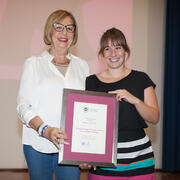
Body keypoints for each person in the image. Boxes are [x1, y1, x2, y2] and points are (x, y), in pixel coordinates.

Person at [16, 10, 89, 180]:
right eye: (59, 27)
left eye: (70, 28)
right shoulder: (33, 64)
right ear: (50, 30)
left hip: (70, 145)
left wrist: (87, 147)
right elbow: (22, 106)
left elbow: (86, 107)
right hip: (37, 144)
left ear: (74, 34)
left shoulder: (83, 66)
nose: (64, 32)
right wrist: (45, 130)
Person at [84, 28, 159, 180]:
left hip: (140, 158)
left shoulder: (141, 78)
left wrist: (134, 100)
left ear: (126, 51)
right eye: (107, 49)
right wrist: (85, 153)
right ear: (102, 54)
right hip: (103, 159)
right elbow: (87, 125)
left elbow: (154, 117)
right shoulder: (91, 82)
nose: (113, 54)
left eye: (118, 47)